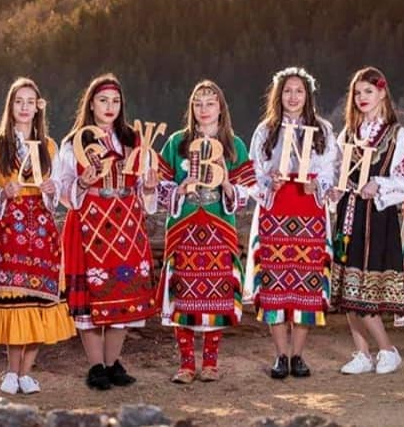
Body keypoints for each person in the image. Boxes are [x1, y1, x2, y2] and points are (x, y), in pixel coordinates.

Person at [57, 73, 159, 390]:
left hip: (127, 223)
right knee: (90, 297)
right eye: (103, 100)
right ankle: (96, 366)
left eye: (115, 101)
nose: (109, 106)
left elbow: (144, 190)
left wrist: (149, 188)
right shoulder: (73, 143)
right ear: (91, 104)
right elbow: (62, 190)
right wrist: (82, 183)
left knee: (123, 294)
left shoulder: (133, 141)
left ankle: (113, 362)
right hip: (89, 223)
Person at [156, 80, 257, 384]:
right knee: (182, 294)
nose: (204, 109)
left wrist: (226, 184)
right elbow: (160, 186)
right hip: (185, 224)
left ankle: (211, 363)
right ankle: (186, 364)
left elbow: (249, 189)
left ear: (221, 108)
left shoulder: (234, 145)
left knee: (217, 293)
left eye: (210, 103)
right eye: (198, 103)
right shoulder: (176, 142)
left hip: (218, 224)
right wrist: (180, 188)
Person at [0, 77, 75, 394]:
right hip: (10, 229)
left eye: (30, 102)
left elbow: (58, 190)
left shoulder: (49, 147)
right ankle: (11, 371)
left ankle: (26, 372)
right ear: (10, 106)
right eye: (18, 101)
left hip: (43, 231)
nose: (24, 107)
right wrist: (3, 192)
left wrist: (51, 189)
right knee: (15, 301)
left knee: (40, 301)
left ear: (38, 108)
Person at [244, 67, 336, 379]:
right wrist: (269, 182)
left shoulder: (322, 129)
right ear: (278, 95)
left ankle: (298, 355)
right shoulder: (266, 130)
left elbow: (331, 171)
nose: (293, 96)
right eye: (287, 91)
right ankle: (280, 355)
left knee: (306, 285)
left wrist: (318, 185)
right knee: (275, 285)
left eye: (299, 91)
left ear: (308, 95)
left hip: (309, 212)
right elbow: (253, 172)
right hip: (276, 212)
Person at [330, 68, 404, 375]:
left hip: (377, 218)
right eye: (357, 92)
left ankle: (388, 349)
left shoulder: (397, 135)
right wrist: (335, 190)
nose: (362, 97)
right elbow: (337, 173)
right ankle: (362, 353)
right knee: (347, 290)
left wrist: (379, 184)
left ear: (382, 93)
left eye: (368, 91)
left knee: (365, 293)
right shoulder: (348, 134)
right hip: (348, 215)